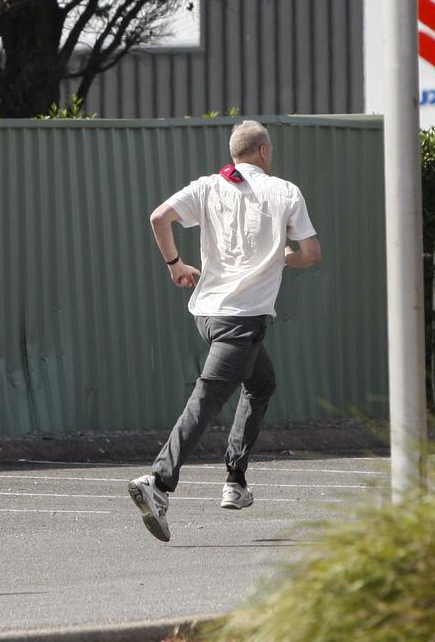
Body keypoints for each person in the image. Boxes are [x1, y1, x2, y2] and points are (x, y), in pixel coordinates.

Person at [128, 121, 321, 543]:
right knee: (207, 399)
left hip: (209, 315)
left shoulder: (207, 186)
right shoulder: (285, 191)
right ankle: (158, 483)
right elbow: (310, 253)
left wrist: (175, 265)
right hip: (243, 319)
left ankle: (235, 480)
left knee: (262, 382)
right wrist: (279, 258)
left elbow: (159, 218)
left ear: (236, 153)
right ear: (264, 152)